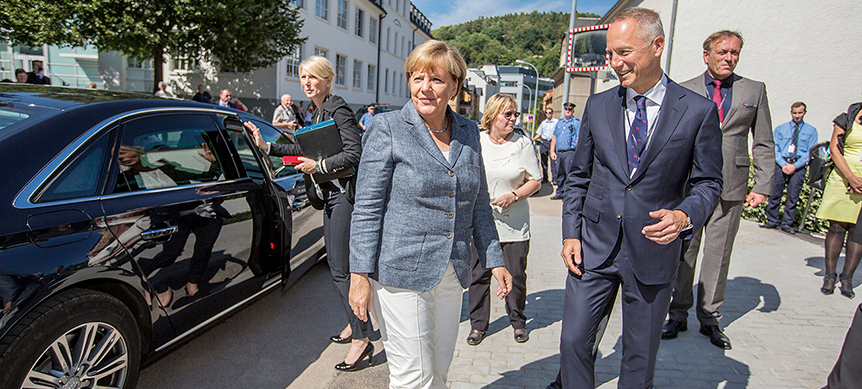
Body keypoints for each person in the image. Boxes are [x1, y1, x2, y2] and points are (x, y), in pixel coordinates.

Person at [559, 8, 723, 388]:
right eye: (611, 53)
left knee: (639, 356)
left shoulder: (697, 111)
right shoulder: (598, 106)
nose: (615, 63)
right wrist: (570, 233)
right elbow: (578, 177)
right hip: (594, 247)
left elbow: (709, 182)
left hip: (653, 250)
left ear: (657, 46)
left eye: (625, 52)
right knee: (572, 343)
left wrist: (684, 217)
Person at [347, 40, 513, 388]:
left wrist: (494, 258)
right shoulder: (388, 127)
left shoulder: (467, 130)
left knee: (438, 372)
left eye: (436, 80)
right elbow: (367, 207)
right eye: (417, 78)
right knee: (413, 377)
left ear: (454, 86)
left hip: (452, 272)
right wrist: (359, 275)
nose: (425, 88)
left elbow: (479, 200)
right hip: (400, 273)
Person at [245, 55, 373, 371]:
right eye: (303, 77)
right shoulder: (314, 112)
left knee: (342, 269)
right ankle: (354, 322)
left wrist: (321, 166)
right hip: (328, 196)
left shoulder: (338, 107)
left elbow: (355, 153)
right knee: (335, 266)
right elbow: (303, 150)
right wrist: (267, 146)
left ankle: (361, 339)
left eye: (313, 76)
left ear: (328, 79)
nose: (307, 82)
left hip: (342, 196)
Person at [663, 29, 774, 350]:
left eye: (735, 53)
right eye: (723, 52)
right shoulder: (683, 90)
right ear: (706, 54)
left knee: (719, 255)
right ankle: (678, 314)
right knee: (684, 253)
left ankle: (710, 318)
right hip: (689, 188)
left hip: (732, 186)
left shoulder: (754, 90)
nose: (729, 58)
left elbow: (764, 141)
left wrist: (763, 185)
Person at [466, 94, 541, 346]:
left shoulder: (522, 144)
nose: (513, 119)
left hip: (515, 224)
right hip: (482, 223)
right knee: (479, 275)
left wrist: (515, 195)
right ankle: (478, 325)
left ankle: (518, 321)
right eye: (507, 114)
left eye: (515, 114)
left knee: (516, 275)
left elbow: (536, 180)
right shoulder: (477, 141)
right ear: (492, 115)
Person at [816, 101, 862, 299]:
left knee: (857, 231)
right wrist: (851, 178)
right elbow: (835, 150)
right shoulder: (848, 117)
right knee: (837, 227)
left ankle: (847, 278)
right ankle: (829, 275)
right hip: (842, 178)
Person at [762, 102, 818, 233]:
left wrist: (795, 166)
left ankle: (787, 224)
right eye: (794, 113)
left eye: (800, 113)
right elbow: (774, 147)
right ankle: (772, 220)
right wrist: (783, 164)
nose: (797, 116)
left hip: (798, 165)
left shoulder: (811, 131)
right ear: (791, 112)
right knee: (775, 192)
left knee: (793, 196)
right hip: (782, 163)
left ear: (805, 113)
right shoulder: (781, 129)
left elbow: (810, 151)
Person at [550, 102, 580, 200]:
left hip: (569, 152)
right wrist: (552, 151)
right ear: (564, 110)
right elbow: (554, 137)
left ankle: (568, 194)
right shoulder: (559, 123)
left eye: (570, 110)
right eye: (566, 109)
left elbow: (578, 138)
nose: (568, 111)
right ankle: (560, 192)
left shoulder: (576, 122)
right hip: (560, 152)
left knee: (569, 174)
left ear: (573, 111)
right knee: (560, 173)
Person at [532, 105, 558, 184]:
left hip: (552, 143)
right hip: (544, 143)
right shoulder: (543, 123)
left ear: (552, 113)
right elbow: (539, 134)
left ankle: (554, 179)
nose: (548, 114)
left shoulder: (556, 122)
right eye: (546, 113)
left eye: (550, 113)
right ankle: (545, 178)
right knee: (543, 162)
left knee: (553, 162)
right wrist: (532, 139)